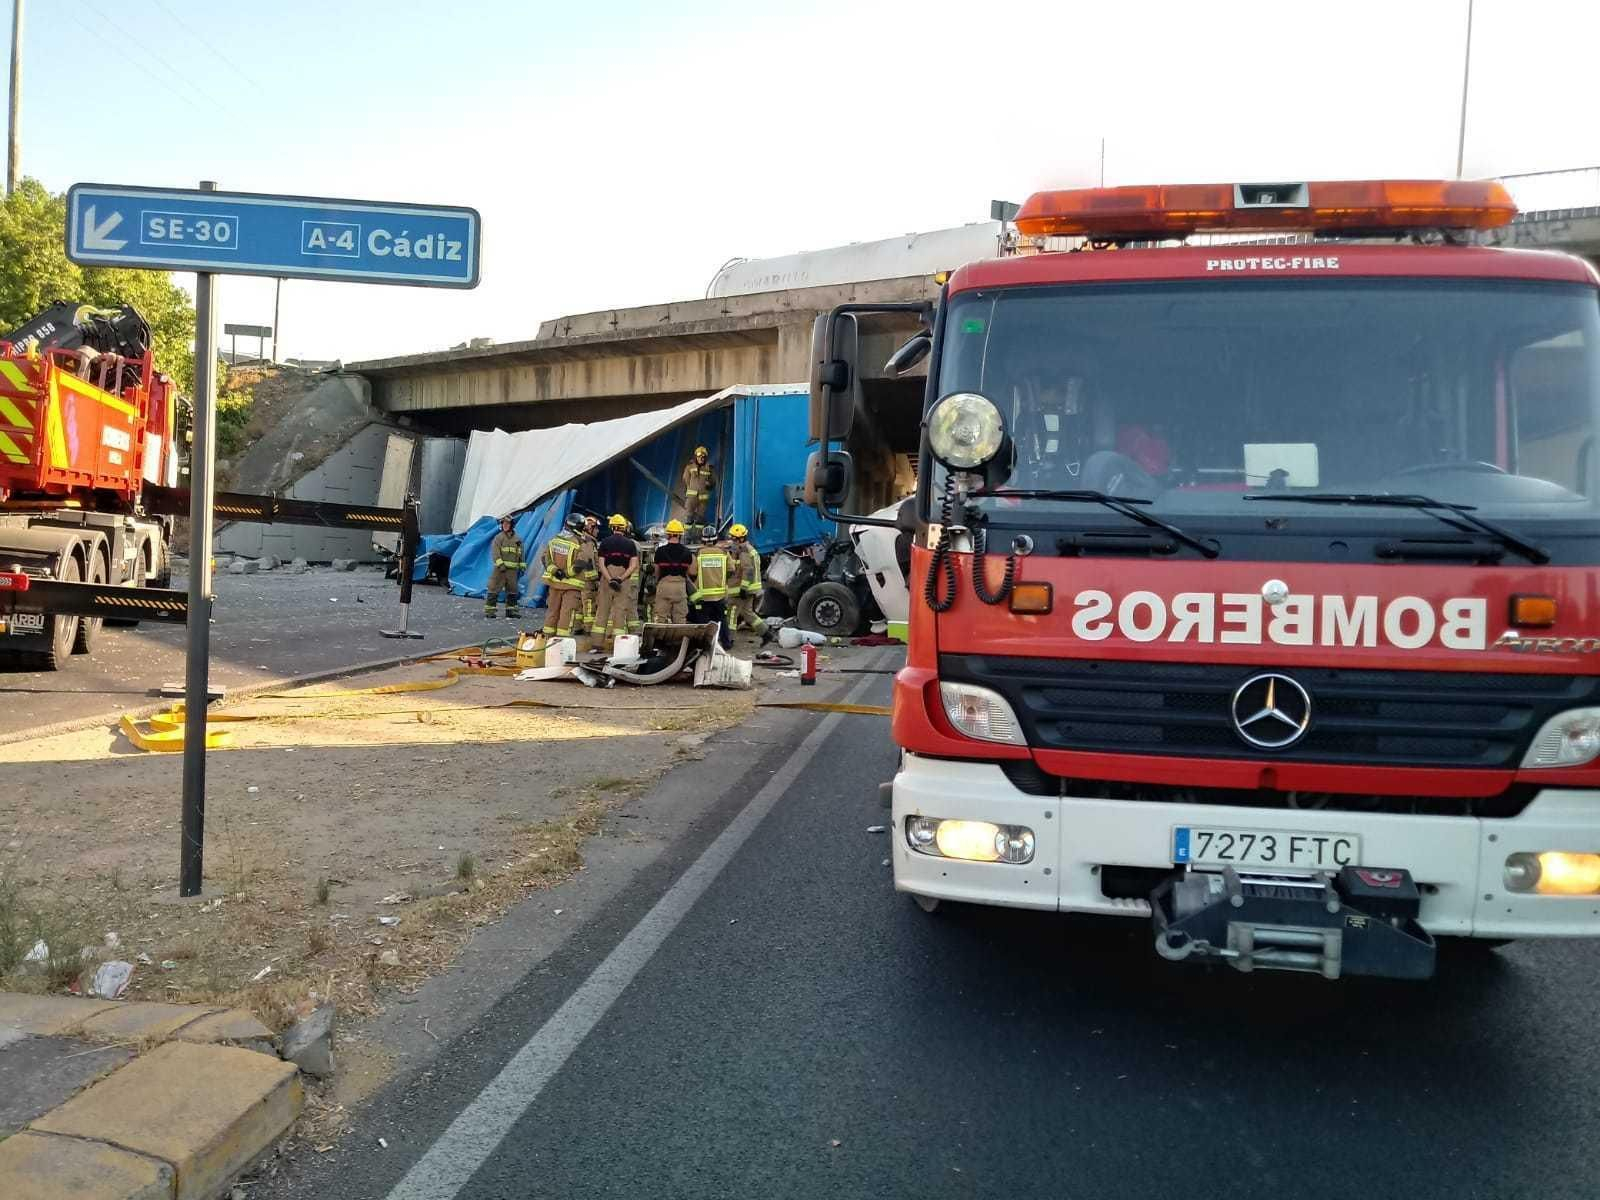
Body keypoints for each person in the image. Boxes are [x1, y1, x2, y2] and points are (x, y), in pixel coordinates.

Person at [539, 515, 589, 638]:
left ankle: (547, 640)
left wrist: (556, 572)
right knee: (567, 614)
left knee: (552, 613)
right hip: (572, 585)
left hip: (554, 583)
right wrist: (566, 574)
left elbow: (545, 558)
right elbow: (581, 564)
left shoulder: (555, 539)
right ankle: (561, 643)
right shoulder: (580, 542)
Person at [594, 513, 639, 646]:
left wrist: (609, 579)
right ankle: (617, 646)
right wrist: (620, 578)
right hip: (623, 580)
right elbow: (633, 565)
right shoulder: (631, 544)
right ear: (624, 528)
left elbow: (601, 564)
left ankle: (596, 645)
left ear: (612, 527)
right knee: (620, 612)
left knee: (602, 611)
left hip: (607, 578)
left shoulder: (605, 542)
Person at [689, 523, 732, 649]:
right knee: (722, 620)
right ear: (716, 539)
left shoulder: (698, 554)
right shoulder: (724, 553)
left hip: (703, 595)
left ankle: (705, 644)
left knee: (703, 622)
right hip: (720, 594)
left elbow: (692, 572)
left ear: (702, 539)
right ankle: (726, 643)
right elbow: (731, 568)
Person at [484, 515, 526, 619]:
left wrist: (522, 564)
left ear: (512, 525)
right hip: (500, 570)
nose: (505, 526)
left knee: (512, 590)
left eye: (507, 524)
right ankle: (490, 611)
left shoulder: (518, 539)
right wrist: (500, 564)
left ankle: (511, 612)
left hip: (512, 571)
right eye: (503, 524)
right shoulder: (499, 538)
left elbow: (521, 553)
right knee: (493, 588)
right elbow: (495, 553)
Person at [652, 520, 693, 624]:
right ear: (680, 535)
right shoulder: (687, 552)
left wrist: (658, 582)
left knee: (659, 617)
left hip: (664, 585)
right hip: (680, 587)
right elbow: (690, 572)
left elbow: (657, 571)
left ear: (667, 534)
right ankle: (678, 639)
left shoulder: (660, 551)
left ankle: (658, 639)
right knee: (680, 618)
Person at [725, 523, 762, 634]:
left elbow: (748, 570)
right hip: (751, 587)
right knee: (747, 612)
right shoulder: (749, 548)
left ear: (740, 539)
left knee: (731, 613)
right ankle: (766, 633)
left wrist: (743, 588)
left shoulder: (744, 550)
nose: (731, 541)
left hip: (743, 588)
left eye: (733, 538)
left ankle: (728, 638)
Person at [674, 445, 716, 525]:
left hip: (703, 499)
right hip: (691, 498)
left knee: (700, 520)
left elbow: (713, 482)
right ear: (696, 457)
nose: (701, 458)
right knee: (688, 519)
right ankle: (687, 536)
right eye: (699, 456)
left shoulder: (709, 468)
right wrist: (693, 487)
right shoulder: (689, 467)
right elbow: (685, 479)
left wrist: (709, 484)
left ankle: (698, 535)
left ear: (705, 458)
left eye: (703, 457)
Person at [577, 514, 603, 632]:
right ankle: (588, 628)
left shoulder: (582, 539)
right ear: (589, 528)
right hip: (587, 580)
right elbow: (589, 561)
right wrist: (595, 578)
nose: (597, 531)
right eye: (596, 528)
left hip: (580, 578)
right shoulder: (588, 541)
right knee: (589, 603)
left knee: (579, 603)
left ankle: (578, 626)